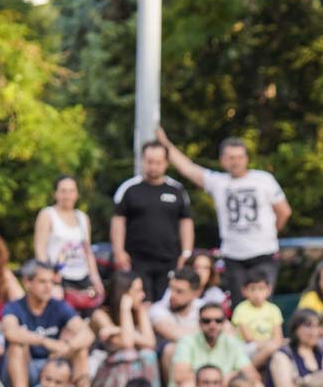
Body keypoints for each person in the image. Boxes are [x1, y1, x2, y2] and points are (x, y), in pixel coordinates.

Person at [153, 127, 290, 292]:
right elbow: (187, 168)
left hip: (264, 254)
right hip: (233, 256)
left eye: (240, 157)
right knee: (237, 306)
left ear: (247, 159)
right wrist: (165, 142)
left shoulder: (263, 179)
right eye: (231, 157)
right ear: (222, 160)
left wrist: (270, 233)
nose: (236, 161)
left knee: (261, 308)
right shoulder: (218, 182)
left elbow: (284, 211)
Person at [111, 139, 194, 302]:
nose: (153, 166)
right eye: (149, 162)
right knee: (142, 301)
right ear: (143, 160)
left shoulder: (176, 190)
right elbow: (118, 221)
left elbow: (186, 222)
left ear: (166, 163)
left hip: (169, 258)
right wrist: (119, 251)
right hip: (137, 259)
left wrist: (186, 252)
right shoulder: (129, 189)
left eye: (158, 162)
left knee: (166, 301)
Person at [0, 260, 93, 387]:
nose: (49, 287)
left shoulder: (58, 306)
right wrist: (45, 341)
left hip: (52, 364)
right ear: (27, 282)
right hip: (23, 367)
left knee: (81, 351)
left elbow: (87, 334)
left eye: (51, 282)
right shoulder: (14, 307)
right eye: (42, 282)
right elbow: (11, 332)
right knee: (17, 347)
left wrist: (67, 346)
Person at [90, 272, 161, 387]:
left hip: (133, 368)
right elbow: (127, 343)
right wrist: (124, 309)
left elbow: (150, 343)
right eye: (137, 291)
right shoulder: (101, 314)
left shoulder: (140, 310)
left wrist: (117, 329)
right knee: (127, 354)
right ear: (124, 293)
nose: (142, 295)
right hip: (105, 371)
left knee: (149, 355)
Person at [35, 176, 105, 311]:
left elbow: (87, 250)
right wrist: (47, 278)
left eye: (71, 191)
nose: (67, 195)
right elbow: (40, 249)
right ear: (55, 193)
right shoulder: (48, 215)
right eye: (63, 191)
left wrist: (95, 278)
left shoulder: (82, 217)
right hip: (58, 276)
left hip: (81, 276)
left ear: (77, 193)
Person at [168, 300, 249, 387]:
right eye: (207, 321)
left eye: (218, 321)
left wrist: (232, 378)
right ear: (200, 323)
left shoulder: (232, 343)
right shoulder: (187, 342)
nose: (213, 325)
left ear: (224, 323)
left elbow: (251, 374)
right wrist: (218, 380)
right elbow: (180, 376)